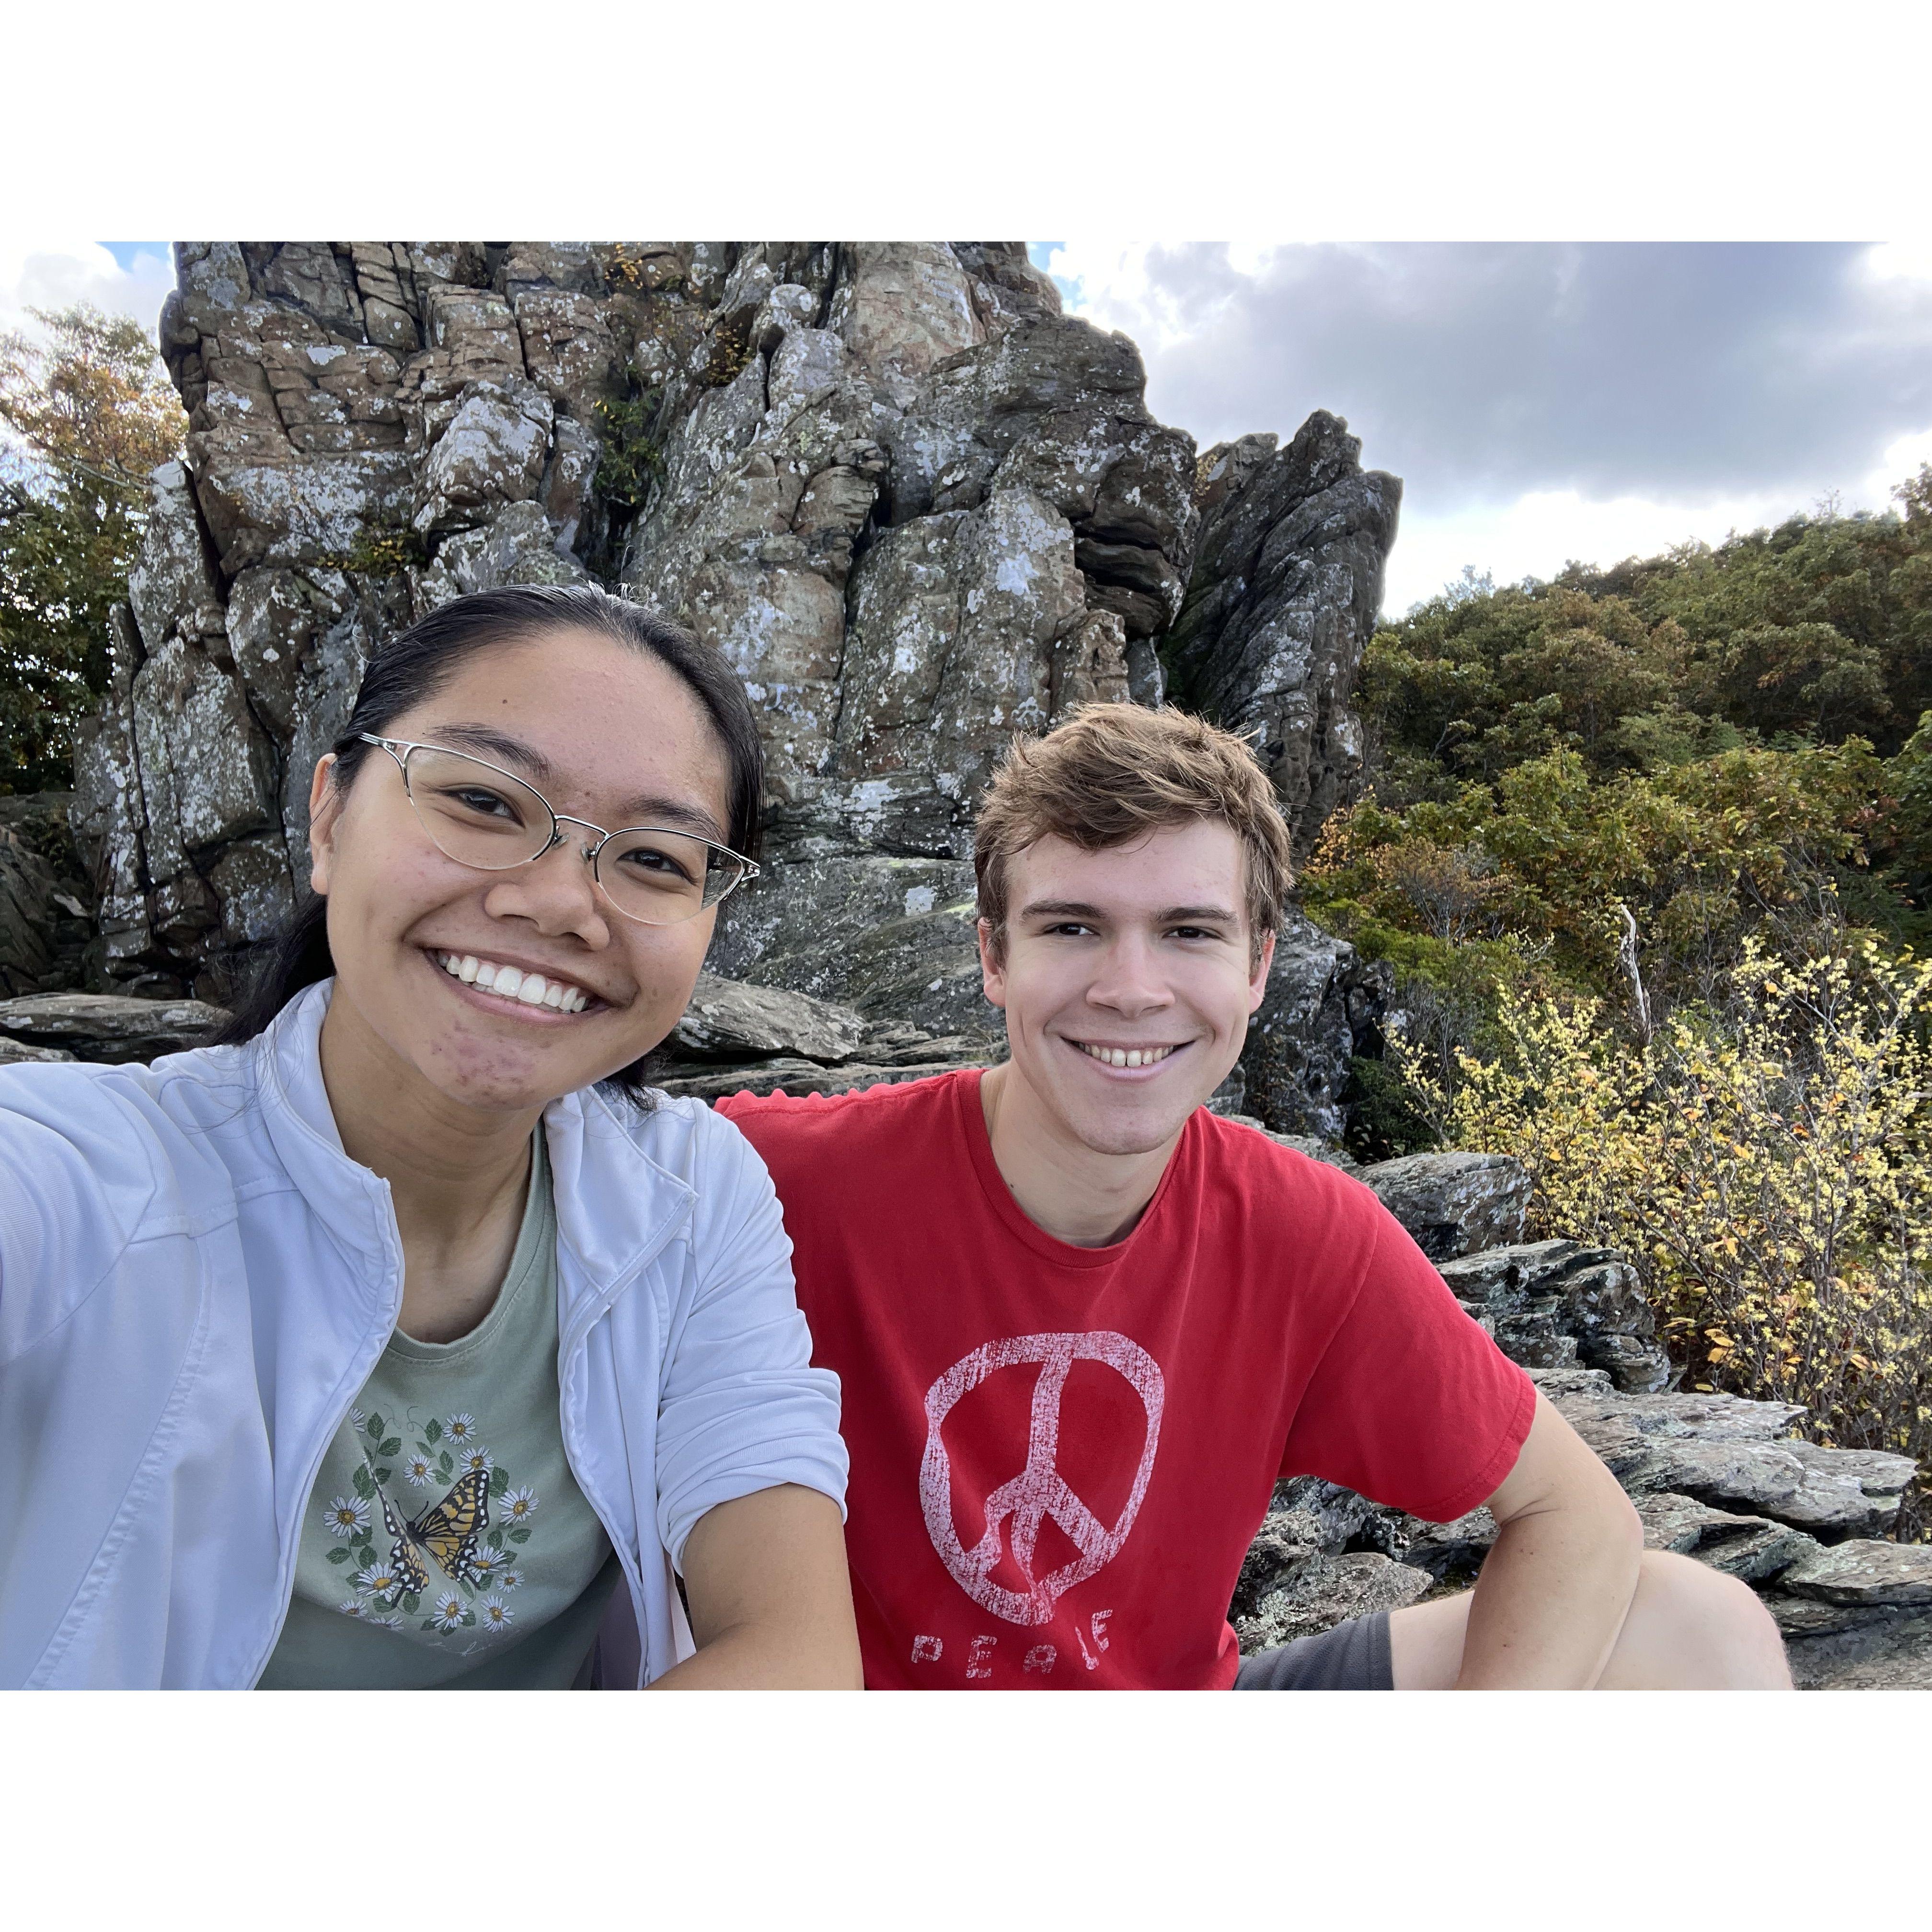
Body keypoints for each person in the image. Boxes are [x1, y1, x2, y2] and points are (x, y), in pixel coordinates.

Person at [718, 702, 1794, 1690]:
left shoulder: (1300, 1231)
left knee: (1698, 1628)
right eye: (1071, 927)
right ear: (994, 955)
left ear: (1257, 968)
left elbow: (1575, 1514)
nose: (1131, 989)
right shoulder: (771, 1186)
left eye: (1189, 931)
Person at [0, 585, 860, 1690]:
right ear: (328, 818)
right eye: (484, 801)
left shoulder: (692, 1196)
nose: (560, 903)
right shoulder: (86, 1181)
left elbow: (794, 1655)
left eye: (654, 859)